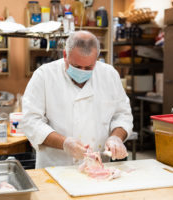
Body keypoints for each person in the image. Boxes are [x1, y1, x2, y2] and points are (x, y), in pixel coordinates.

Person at [21, 31, 133, 169]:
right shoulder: (44, 75)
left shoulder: (109, 75)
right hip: (56, 168)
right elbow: (30, 121)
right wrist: (64, 143)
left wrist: (116, 138)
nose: (82, 71)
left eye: (88, 67)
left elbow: (122, 115)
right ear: (65, 55)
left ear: (97, 59)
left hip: (99, 168)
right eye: (77, 67)